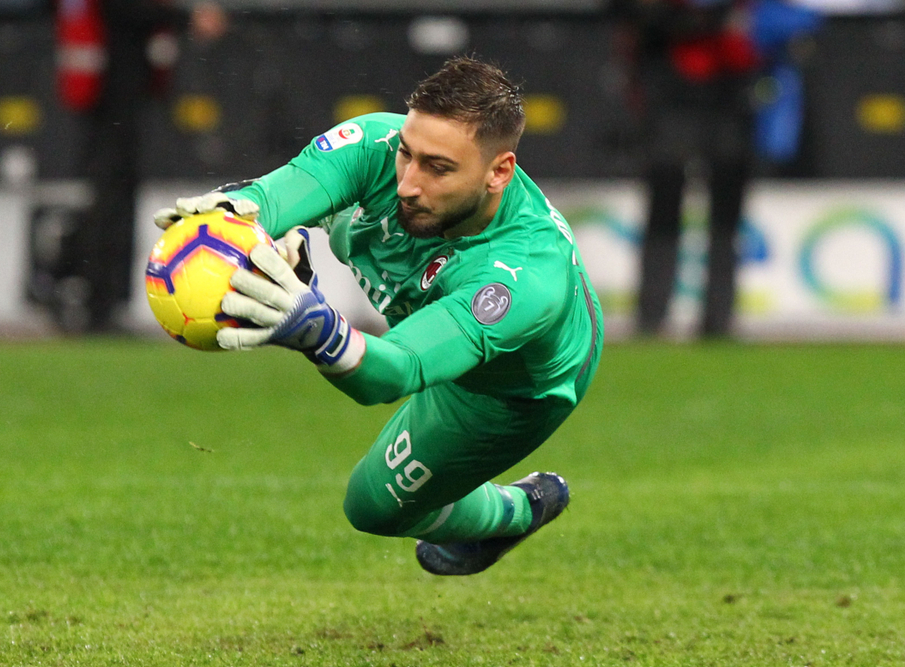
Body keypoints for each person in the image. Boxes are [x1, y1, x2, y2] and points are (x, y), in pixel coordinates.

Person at [154, 58, 603, 576]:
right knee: (368, 509)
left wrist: (314, 328)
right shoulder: (374, 146)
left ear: (499, 171)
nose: (408, 183)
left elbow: (395, 371)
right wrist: (228, 216)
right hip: (436, 325)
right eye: (407, 154)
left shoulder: (522, 277)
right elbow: (271, 199)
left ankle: (521, 509)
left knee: (371, 507)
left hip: (508, 388)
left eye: (438, 168)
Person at [53, 0, 227, 332]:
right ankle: (93, 299)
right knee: (110, 197)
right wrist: (187, 17)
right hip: (112, 93)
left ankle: (102, 299)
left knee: (115, 195)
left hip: (120, 92)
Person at [617, 0, 760, 338]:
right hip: (670, 96)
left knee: (726, 214)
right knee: (664, 204)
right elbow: (636, 15)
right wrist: (706, 21)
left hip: (728, 97)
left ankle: (719, 319)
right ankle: (652, 315)